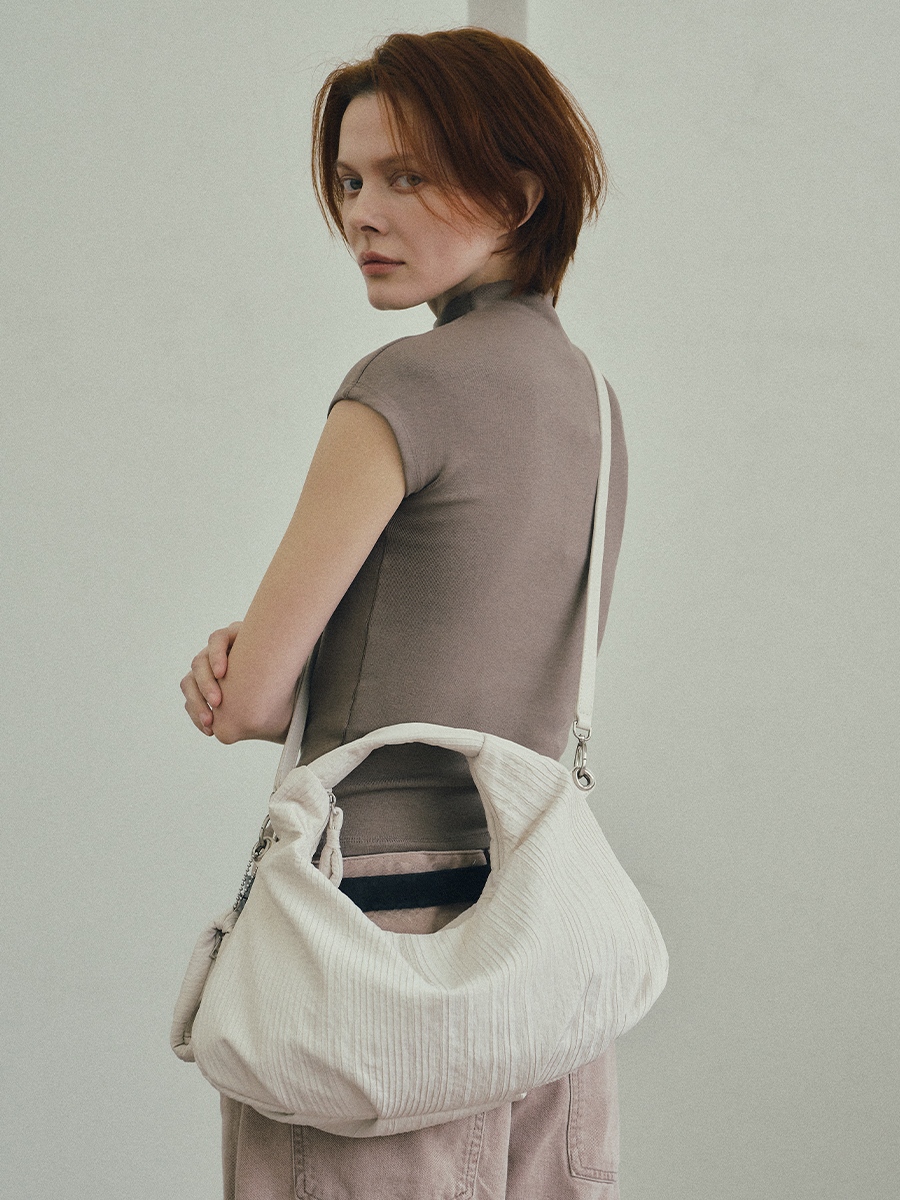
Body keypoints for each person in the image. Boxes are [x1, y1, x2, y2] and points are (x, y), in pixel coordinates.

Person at [181, 27, 628, 1200]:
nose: (362, 215)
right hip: (541, 947)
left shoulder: (400, 387)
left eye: (406, 176)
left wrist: (248, 656)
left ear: (519, 194)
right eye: (348, 180)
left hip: (376, 942)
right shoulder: (593, 400)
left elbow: (251, 704)